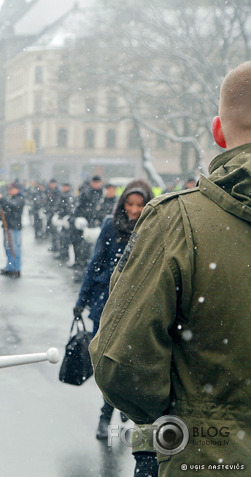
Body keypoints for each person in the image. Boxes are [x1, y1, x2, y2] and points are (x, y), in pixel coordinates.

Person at [89, 61, 251, 477]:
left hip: (208, 461)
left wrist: (180, 418)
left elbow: (121, 363)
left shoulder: (178, 222)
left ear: (218, 132)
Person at [72, 179, 153, 440]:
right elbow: (95, 263)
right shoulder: (110, 225)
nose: (133, 210)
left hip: (137, 306)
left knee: (128, 363)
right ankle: (105, 414)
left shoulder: (152, 227)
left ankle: (120, 405)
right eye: (129, 203)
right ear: (122, 203)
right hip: (105, 304)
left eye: (140, 205)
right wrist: (81, 301)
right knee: (106, 365)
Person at [70, 175, 104, 281]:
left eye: (98, 182)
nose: (97, 185)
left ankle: (93, 273)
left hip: (98, 226)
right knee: (82, 251)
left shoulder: (103, 194)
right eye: (95, 182)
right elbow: (78, 209)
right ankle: (81, 272)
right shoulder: (86, 194)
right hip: (86, 227)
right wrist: (80, 219)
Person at [0, 182, 25, 277]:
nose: (10, 191)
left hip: (14, 227)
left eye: (12, 189)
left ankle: (16, 268)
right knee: (8, 248)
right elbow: (5, 207)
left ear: (17, 189)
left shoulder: (20, 199)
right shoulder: (11, 198)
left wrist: (2, 199)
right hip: (8, 226)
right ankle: (10, 266)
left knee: (14, 248)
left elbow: (13, 205)